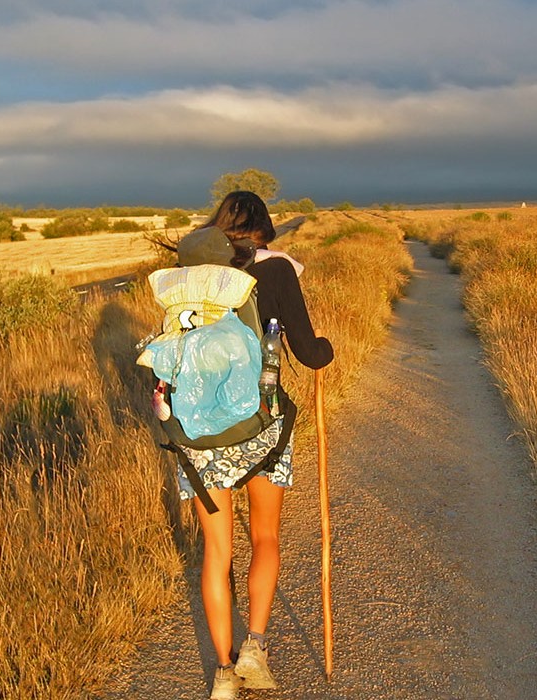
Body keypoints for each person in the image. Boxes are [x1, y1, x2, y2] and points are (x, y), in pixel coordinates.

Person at [183, 191, 333, 699]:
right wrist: (327, 349)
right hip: (263, 425)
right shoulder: (277, 271)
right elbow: (310, 355)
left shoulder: (192, 276)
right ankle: (255, 650)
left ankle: (222, 676)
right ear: (266, 228)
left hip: (200, 431)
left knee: (216, 551)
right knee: (265, 537)